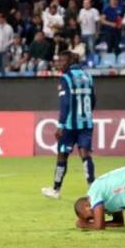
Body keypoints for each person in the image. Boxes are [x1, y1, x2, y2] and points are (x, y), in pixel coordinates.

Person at [42, 51, 96, 199]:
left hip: (70, 125)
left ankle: (56, 190)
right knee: (85, 154)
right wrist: (87, 114)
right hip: (86, 122)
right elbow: (93, 99)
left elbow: (65, 103)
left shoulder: (65, 78)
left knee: (62, 154)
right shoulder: (88, 76)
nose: (59, 64)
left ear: (69, 61)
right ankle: (93, 189)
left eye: (61, 61)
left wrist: (60, 125)